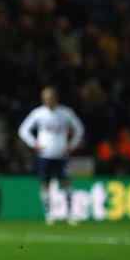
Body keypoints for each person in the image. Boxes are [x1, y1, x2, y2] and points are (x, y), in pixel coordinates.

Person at [17, 86, 85, 226]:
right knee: (45, 183)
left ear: (56, 98)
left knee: (66, 182)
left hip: (61, 154)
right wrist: (33, 144)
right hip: (45, 154)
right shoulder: (38, 113)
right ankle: (48, 215)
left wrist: (71, 145)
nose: (47, 100)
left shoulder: (66, 113)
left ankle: (70, 215)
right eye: (45, 98)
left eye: (50, 97)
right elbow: (23, 130)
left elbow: (79, 128)